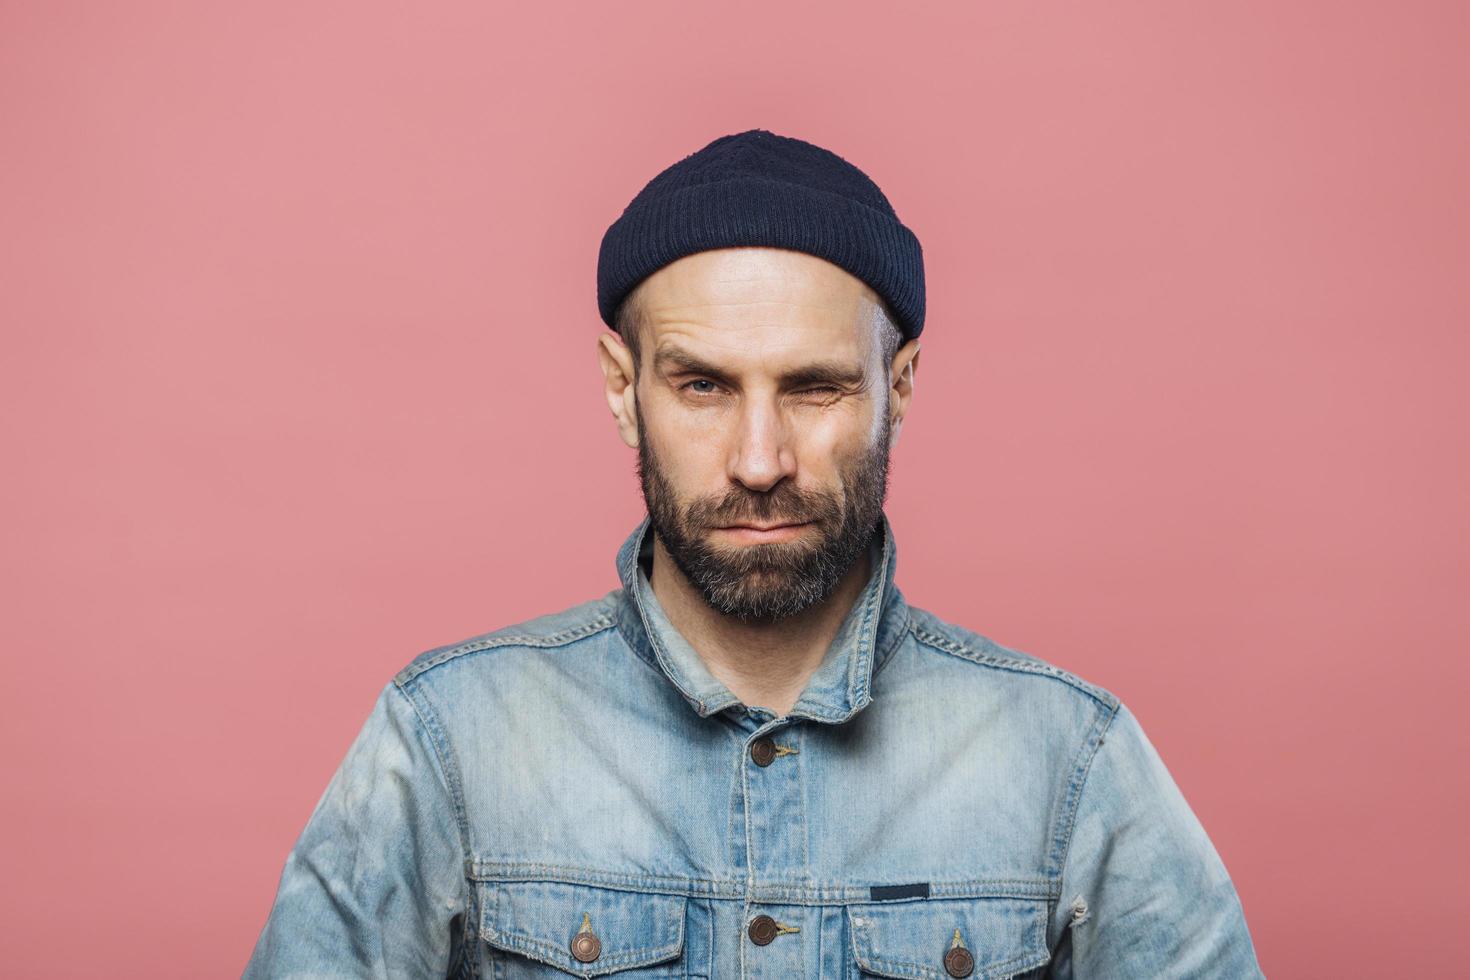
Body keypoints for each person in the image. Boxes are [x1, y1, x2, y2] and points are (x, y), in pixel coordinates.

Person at [244, 128, 1263, 979]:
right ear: (620, 383)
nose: (760, 459)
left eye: (814, 387)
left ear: (898, 386)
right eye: (703, 386)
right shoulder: (447, 741)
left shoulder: (1069, 761)